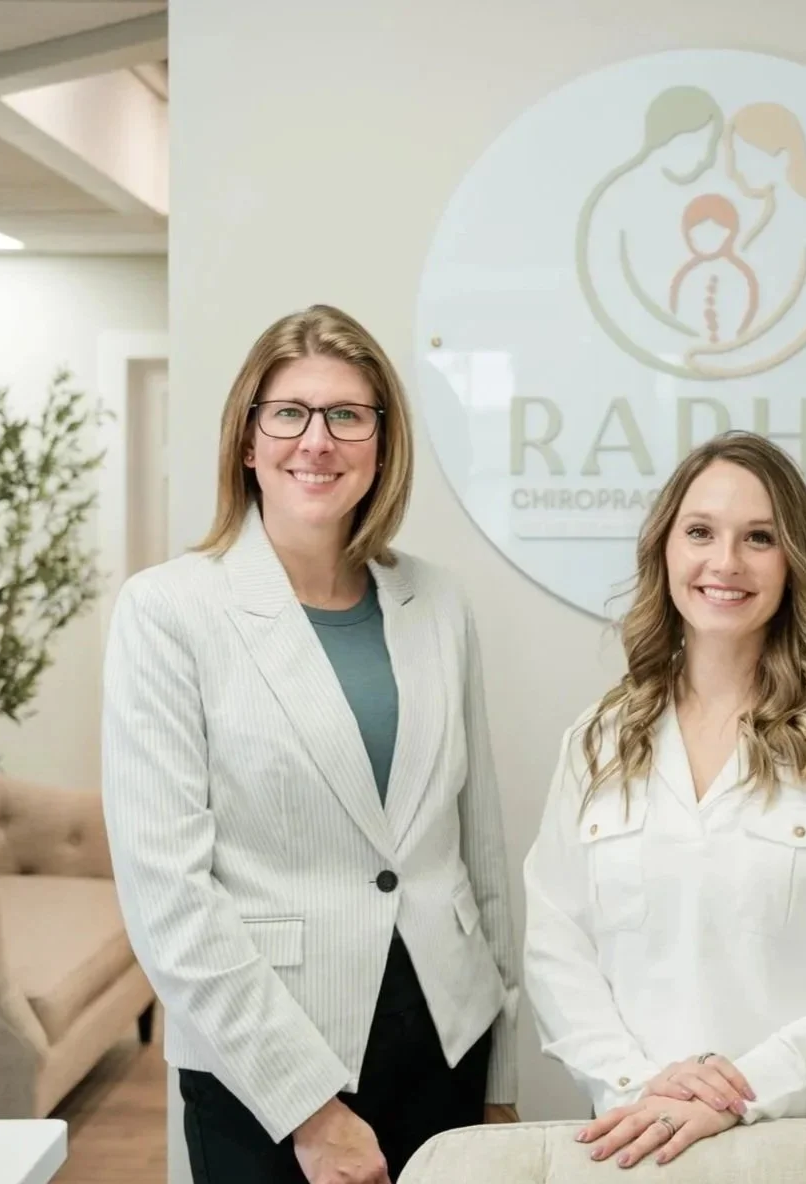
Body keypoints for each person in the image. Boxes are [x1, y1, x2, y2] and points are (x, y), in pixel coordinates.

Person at [101, 305, 521, 1184]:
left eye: (347, 415)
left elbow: (478, 852)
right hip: (267, 1059)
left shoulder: (439, 604)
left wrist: (501, 1078)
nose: (317, 441)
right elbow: (168, 896)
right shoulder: (169, 611)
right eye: (288, 412)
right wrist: (312, 1112)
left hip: (446, 1039)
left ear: (382, 445)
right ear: (247, 441)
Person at [522, 431, 806, 1169]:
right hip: (638, 1140)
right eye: (700, 532)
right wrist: (640, 1084)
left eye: (759, 537)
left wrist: (744, 1090)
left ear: (793, 561)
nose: (725, 562)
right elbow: (557, 948)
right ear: (664, 550)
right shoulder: (596, 742)